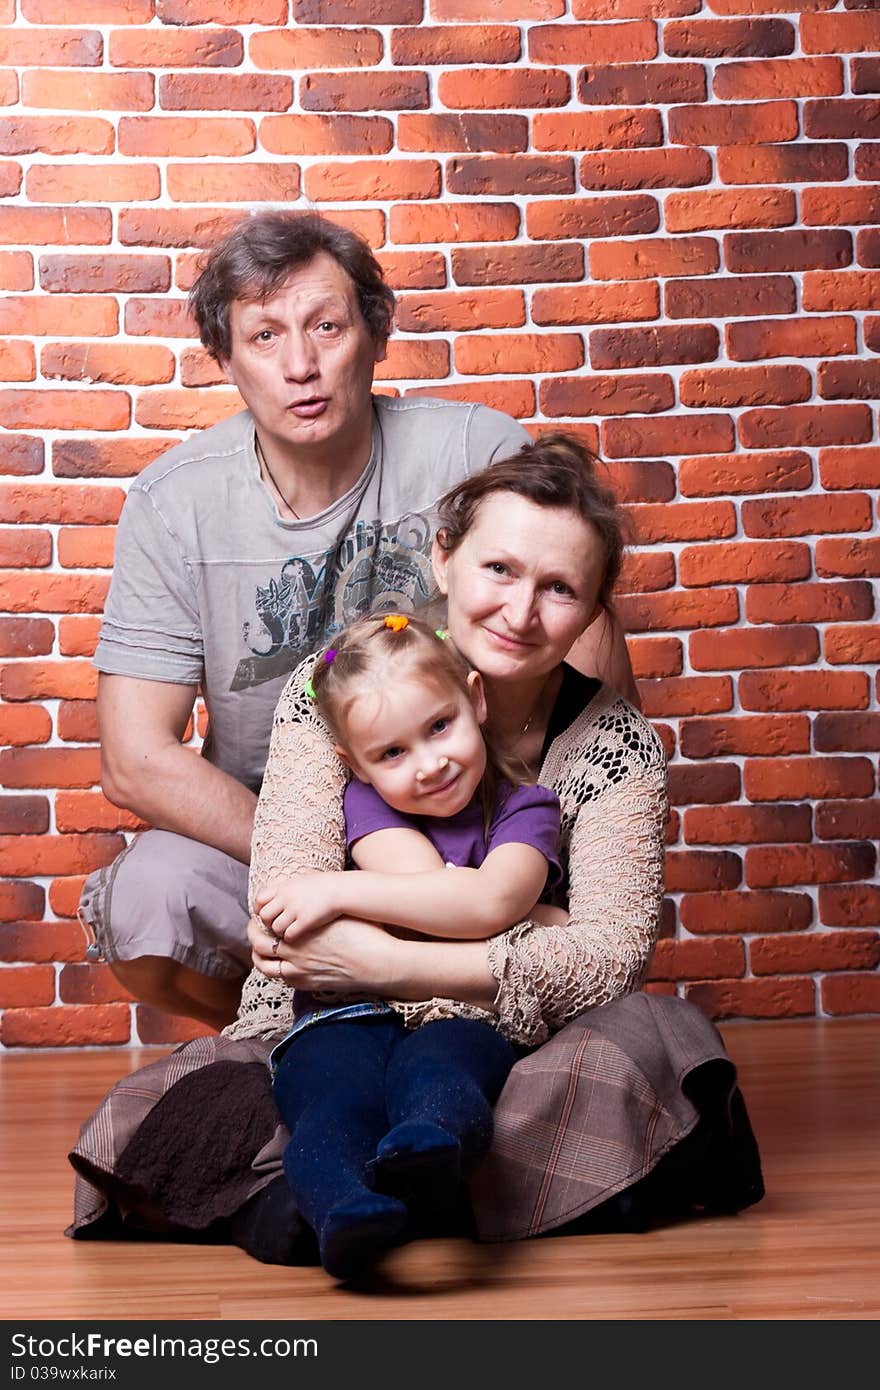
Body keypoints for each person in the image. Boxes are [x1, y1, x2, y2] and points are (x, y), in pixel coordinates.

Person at [67, 433, 763, 1266]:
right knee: (206, 1098)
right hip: (341, 1020)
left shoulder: (614, 748)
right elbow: (291, 911)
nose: (519, 611)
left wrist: (386, 963)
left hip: (514, 1036)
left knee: (653, 1041)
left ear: (593, 608)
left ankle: (334, 1190)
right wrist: (533, 924)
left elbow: (609, 961)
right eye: (498, 570)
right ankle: (416, 1195)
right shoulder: (341, 688)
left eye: (560, 589)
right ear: (444, 559)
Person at [77, 209, 637, 1030]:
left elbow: (583, 653)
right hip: (271, 828)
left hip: (476, 825)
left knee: (551, 962)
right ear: (224, 359)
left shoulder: (476, 450)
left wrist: (509, 870)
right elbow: (134, 759)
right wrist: (334, 864)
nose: (300, 365)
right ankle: (290, 1034)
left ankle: (476, 1031)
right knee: (146, 904)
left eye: (327, 327)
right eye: (264, 337)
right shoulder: (174, 504)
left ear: (376, 335)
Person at [260, 612, 563, 1279]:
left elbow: (479, 907)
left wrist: (335, 891)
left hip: (459, 1006)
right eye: (391, 753)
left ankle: (429, 1152)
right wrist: (528, 912)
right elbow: (443, 897)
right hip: (346, 1015)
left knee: (449, 1066)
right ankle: (343, 1211)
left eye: (439, 726)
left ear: (475, 700)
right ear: (355, 766)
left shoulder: (526, 808)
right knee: (329, 1103)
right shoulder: (368, 807)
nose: (429, 765)